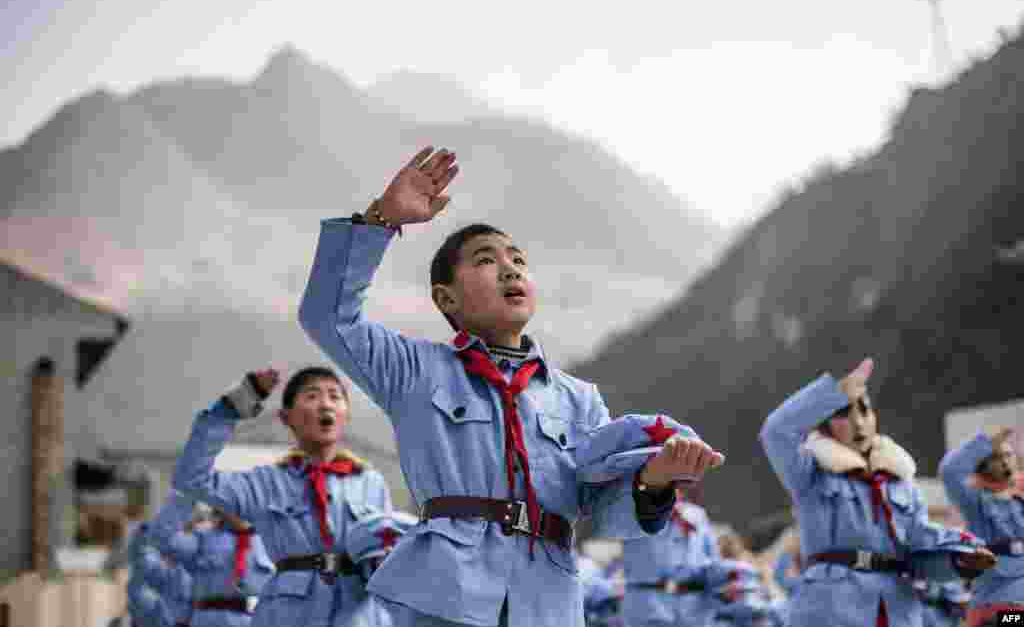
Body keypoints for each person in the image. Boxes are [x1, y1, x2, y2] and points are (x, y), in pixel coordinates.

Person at [298, 146, 726, 627]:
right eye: (486, 260)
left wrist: (654, 482)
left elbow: (603, 507)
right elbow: (326, 316)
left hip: (547, 602)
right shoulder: (416, 370)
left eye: (518, 260)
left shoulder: (578, 399)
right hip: (447, 597)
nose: (510, 269)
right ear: (447, 298)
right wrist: (380, 220)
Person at [758, 358, 995, 627]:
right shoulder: (809, 474)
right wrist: (833, 392)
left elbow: (919, 548)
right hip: (830, 610)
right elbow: (776, 432)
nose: (858, 422)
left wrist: (958, 559)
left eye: (864, 410)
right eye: (843, 412)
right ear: (824, 425)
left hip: (897, 611)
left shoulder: (900, 481)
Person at [172, 365, 394, 626]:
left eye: (335, 396)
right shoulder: (267, 482)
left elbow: (388, 552)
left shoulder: (371, 482)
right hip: (289, 614)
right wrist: (231, 408)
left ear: (346, 415)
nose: (325, 404)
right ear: (285, 417)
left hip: (360, 614)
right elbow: (191, 478)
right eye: (312, 396)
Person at [147, 490, 274, 626]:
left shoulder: (269, 542)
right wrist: (182, 497)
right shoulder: (204, 537)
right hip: (208, 619)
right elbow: (164, 540)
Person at [939, 426, 1024, 626]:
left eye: (1008, 455)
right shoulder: (976, 503)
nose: (1005, 462)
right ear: (983, 465)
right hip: (997, 612)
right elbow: (950, 471)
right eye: (997, 457)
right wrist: (984, 442)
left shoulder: (1019, 502)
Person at [620, 486, 722, 627]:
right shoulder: (633, 511)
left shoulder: (697, 515)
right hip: (648, 604)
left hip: (693, 606)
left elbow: (713, 560)